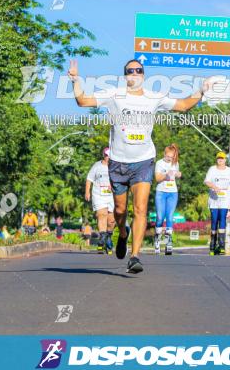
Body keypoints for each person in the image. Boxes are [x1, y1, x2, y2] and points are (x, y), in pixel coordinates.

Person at [68, 58, 211, 274]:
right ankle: (123, 234)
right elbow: (83, 101)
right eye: (130, 71)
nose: (134, 73)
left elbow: (182, 106)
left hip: (143, 161)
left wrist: (201, 91)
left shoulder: (154, 97)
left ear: (143, 75)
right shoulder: (114, 95)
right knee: (119, 210)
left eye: (138, 70)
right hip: (118, 163)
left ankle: (134, 256)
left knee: (141, 208)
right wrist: (75, 80)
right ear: (125, 75)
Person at [204, 151, 230, 256]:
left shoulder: (229, 171)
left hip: (225, 198)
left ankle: (221, 246)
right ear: (216, 160)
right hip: (214, 199)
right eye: (218, 158)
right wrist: (214, 186)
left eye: (222, 158)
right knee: (214, 221)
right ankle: (212, 245)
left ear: (225, 160)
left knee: (222, 220)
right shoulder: (212, 169)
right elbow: (206, 181)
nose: (220, 160)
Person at [85, 147, 114, 254]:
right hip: (99, 195)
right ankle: (102, 238)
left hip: (112, 196)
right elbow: (89, 179)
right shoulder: (97, 166)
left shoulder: (115, 166)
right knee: (101, 214)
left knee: (111, 220)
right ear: (103, 155)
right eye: (106, 155)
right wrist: (87, 192)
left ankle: (108, 237)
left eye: (110, 155)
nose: (108, 157)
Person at [154, 144, 181, 255]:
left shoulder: (175, 163)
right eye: (168, 156)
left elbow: (176, 175)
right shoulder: (159, 163)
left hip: (172, 193)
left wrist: (178, 174)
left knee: (170, 216)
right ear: (164, 154)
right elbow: (157, 178)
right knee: (160, 217)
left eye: (172, 156)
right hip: (161, 192)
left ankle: (168, 242)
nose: (170, 158)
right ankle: (157, 239)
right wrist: (166, 175)